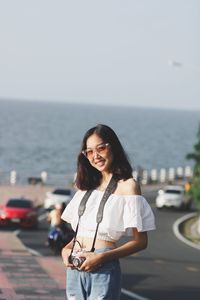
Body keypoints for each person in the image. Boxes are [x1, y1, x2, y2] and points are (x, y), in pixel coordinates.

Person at [61, 124, 155, 300]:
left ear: (113, 147)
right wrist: (65, 250)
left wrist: (101, 257)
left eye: (101, 148)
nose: (95, 156)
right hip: (74, 267)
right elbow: (84, 232)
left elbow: (140, 242)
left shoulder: (128, 186)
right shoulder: (85, 186)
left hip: (103, 268)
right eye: (89, 151)